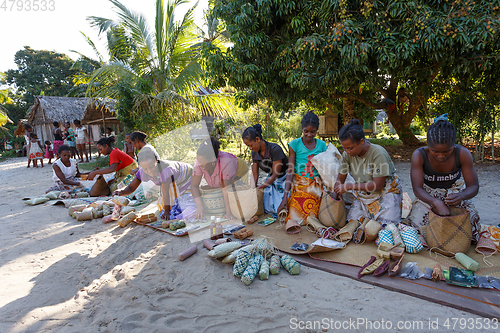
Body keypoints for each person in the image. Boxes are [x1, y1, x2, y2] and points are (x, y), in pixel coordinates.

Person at [408, 115, 481, 242]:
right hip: (427, 195)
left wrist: (461, 196)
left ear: (454, 145)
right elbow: (417, 188)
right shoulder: (419, 155)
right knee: (416, 228)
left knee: (471, 226)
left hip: (455, 193)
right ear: (427, 145)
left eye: (447, 151)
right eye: (435, 151)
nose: (441, 156)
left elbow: (474, 186)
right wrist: (435, 202)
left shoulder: (463, 154)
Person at [334, 119, 402, 225]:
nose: (347, 151)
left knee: (386, 226)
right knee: (352, 223)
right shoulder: (347, 155)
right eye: (344, 148)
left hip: (385, 192)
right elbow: (340, 178)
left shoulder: (378, 154)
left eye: (350, 148)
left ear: (361, 141)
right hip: (364, 193)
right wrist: (335, 195)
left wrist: (349, 187)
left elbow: (378, 185)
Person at [113, 146, 195, 220]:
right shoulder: (142, 171)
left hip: (187, 177)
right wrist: (121, 192)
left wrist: (167, 212)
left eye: (152, 167)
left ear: (156, 161)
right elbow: (131, 188)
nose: (149, 171)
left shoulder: (165, 170)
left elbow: (166, 193)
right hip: (173, 181)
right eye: (146, 169)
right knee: (165, 204)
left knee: (183, 205)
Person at [277, 112, 327, 225]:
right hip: (299, 184)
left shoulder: (322, 145)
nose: (309, 134)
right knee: (294, 217)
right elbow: (290, 170)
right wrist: (285, 196)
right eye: (306, 131)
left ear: (317, 130)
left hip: (315, 185)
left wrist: (327, 188)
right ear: (302, 129)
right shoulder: (294, 144)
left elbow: (324, 170)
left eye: (313, 131)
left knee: (318, 214)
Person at [242, 124, 288, 215]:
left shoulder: (275, 149)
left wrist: (259, 188)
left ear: (258, 139)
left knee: (279, 207)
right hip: (271, 180)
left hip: (285, 179)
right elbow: (255, 174)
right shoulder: (255, 153)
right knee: (267, 207)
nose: (250, 148)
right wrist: (252, 189)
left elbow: (275, 174)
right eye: (248, 146)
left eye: (251, 145)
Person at [191, 137, 241, 220]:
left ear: (212, 159)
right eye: (199, 162)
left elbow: (226, 189)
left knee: (239, 206)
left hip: (238, 175)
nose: (200, 165)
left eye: (202, 163)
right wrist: (199, 207)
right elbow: (194, 186)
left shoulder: (226, 162)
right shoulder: (199, 163)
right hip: (222, 183)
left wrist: (228, 212)